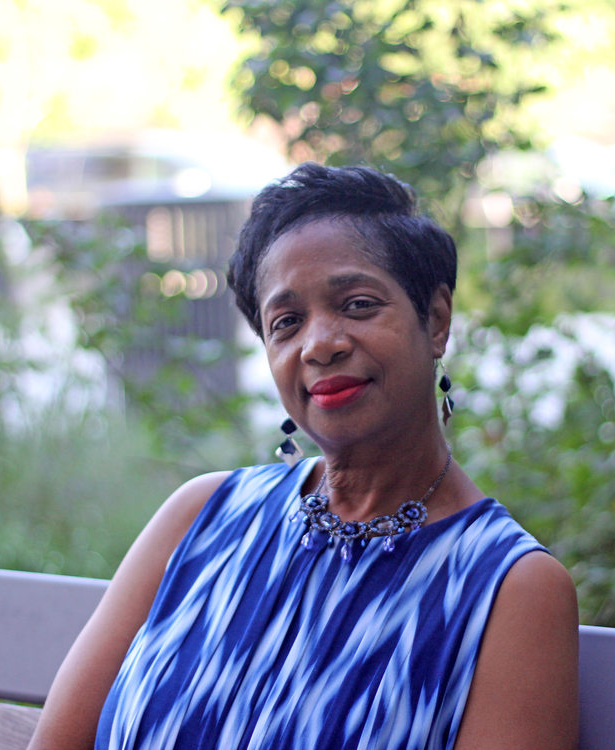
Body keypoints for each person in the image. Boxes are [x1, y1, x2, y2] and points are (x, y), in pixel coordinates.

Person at [28, 163, 579, 750]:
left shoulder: (509, 588)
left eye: (359, 304)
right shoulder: (200, 517)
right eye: (286, 322)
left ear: (436, 320)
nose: (320, 344)